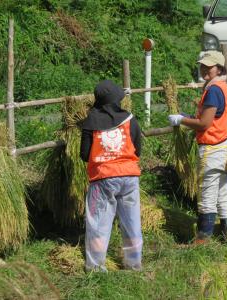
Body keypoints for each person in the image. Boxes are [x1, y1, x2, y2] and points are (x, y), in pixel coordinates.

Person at [168, 50, 227, 244]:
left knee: (207, 196)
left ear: (219, 68)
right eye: (202, 65)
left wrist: (182, 120)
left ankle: (203, 240)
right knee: (224, 194)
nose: (204, 69)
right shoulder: (222, 87)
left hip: (213, 150)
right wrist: (190, 117)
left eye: (209, 66)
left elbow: (205, 124)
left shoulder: (214, 90)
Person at [80, 80, 143, 272]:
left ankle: (96, 266)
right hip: (129, 176)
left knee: (99, 222)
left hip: (103, 178)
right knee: (131, 221)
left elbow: (84, 154)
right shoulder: (129, 119)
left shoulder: (91, 122)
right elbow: (137, 147)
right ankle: (133, 263)